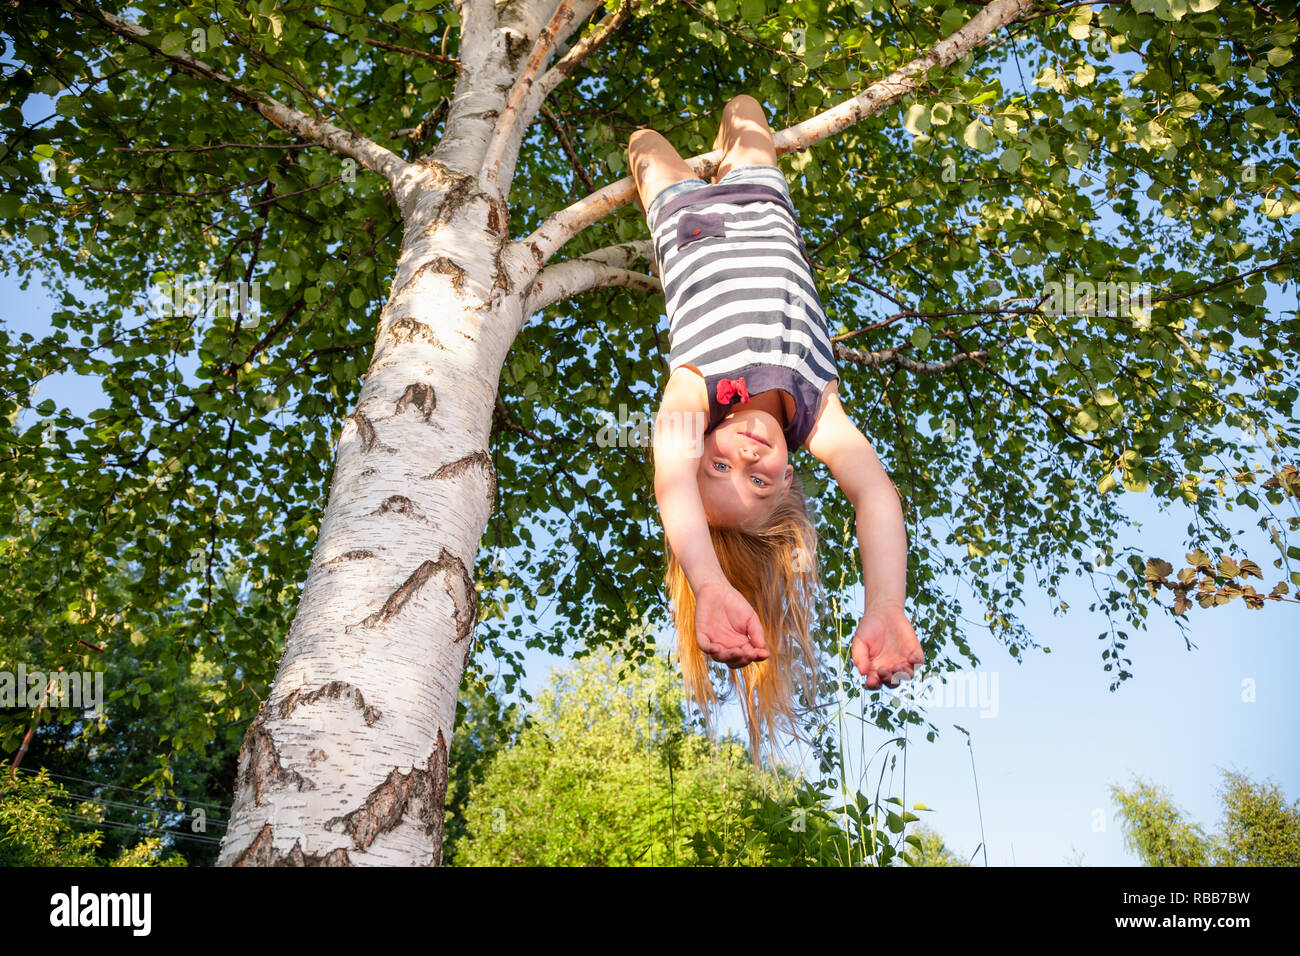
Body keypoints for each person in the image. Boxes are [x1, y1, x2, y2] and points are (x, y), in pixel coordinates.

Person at [626, 94, 925, 768]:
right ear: (788, 474)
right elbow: (875, 496)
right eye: (759, 479)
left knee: (647, 142)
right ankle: (733, 133)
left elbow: (669, 478)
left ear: (698, 443)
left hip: (684, 223)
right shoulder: (817, 413)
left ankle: (653, 144)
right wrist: (886, 602)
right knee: (745, 110)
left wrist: (708, 584)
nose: (746, 457)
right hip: (762, 206)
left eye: (719, 466)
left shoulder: (693, 390)